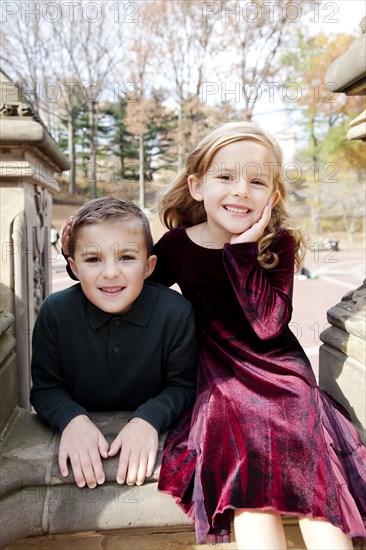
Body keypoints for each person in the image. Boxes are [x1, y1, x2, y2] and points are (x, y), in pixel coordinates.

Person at [61, 124, 366, 549]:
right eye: (226, 177)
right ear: (197, 185)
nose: (241, 191)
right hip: (223, 382)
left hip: (285, 379)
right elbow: (127, 289)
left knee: (317, 482)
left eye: (257, 181)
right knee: (249, 489)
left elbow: (268, 324)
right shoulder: (175, 247)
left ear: (272, 197)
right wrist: (74, 249)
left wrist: (243, 249)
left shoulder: (275, 243)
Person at [30, 197, 197, 491]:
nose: (110, 273)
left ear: (149, 266)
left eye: (127, 258)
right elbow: (46, 388)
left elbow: (184, 385)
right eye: (93, 259)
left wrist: (148, 420)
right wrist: (71, 420)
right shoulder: (55, 312)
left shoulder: (176, 312)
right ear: (74, 266)